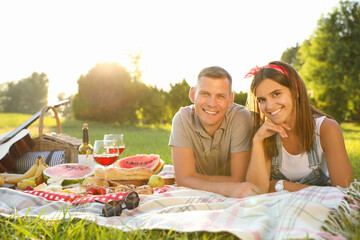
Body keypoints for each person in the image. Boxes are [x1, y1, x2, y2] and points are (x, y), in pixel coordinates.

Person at [245, 61, 354, 193]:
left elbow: (345, 192)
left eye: (276, 94)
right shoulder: (265, 134)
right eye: (262, 100)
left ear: (295, 91)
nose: (269, 106)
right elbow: (255, 191)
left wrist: (282, 186)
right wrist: (257, 141)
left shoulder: (326, 129)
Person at [169, 66, 259, 198]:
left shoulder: (241, 118)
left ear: (230, 99)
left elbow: (239, 179)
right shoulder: (182, 119)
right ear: (192, 94)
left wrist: (194, 179)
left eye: (220, 96)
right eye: (205, 94)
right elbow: (183, 181)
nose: (212, 103)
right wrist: (227, 188)